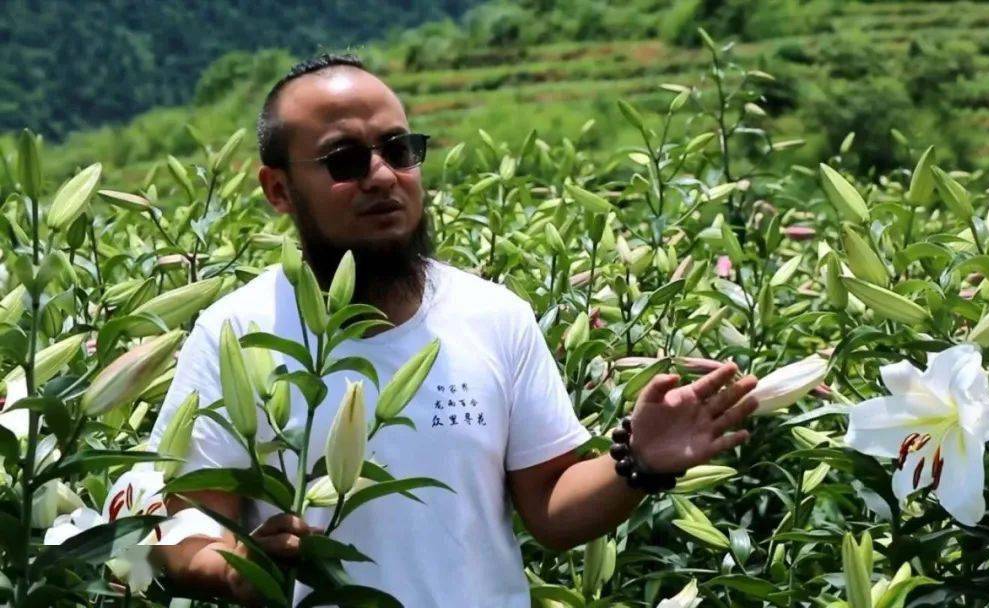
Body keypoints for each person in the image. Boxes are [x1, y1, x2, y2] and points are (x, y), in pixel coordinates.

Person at [148, 53, 759, 607]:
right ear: (278, 189)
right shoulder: (237, 331)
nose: (383, 176)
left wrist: (640, 462)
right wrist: (236, 570)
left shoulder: (493, 315)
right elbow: (184, 529)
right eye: (345, 161)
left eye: (398, 148)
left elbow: (549, 507)